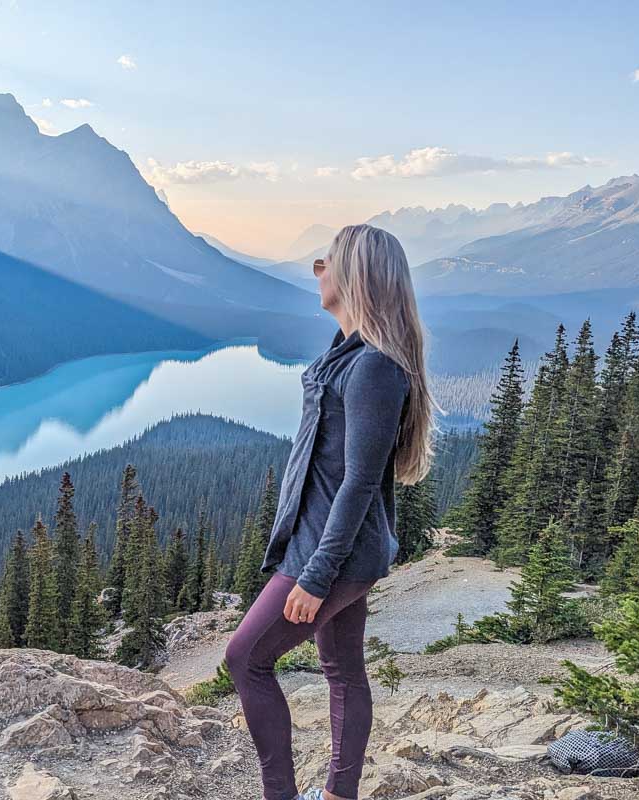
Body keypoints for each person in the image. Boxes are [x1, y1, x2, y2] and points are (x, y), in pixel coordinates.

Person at [225, 224, 440, 800]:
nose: (316, 270)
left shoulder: (373, 367)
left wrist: (316, 577)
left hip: (333, 552)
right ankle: (338, 795)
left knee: (245, 658)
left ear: (355, 277)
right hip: (332, 545)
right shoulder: (348, 355)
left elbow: (360, 483)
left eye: (327, 261)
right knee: (343, 669)